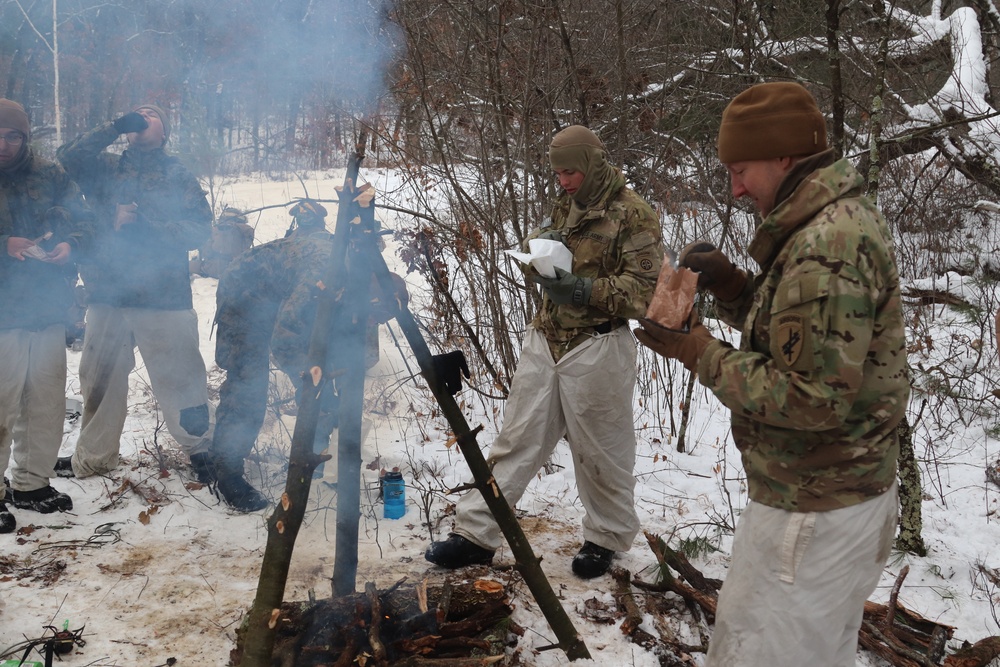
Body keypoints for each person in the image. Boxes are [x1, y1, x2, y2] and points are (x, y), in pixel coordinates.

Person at [634, 82, 909, 666]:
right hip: (830, 500)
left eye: (741, 169)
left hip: (814, 512)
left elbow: (811, 399)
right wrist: (735, 289)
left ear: (785, 156)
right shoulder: (833, 221)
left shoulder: (824, 245)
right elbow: (809, 336)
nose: (734, 188)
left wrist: (696, 351)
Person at [425, 125, 664, 578]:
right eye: (558, 172)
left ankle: (605, 539)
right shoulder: (566, 202)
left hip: (599, 343)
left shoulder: (634, 214)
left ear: (592, 163)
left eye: (571, 171)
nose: (565, 180)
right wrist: (540, 258)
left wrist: (580, 290)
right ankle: (475, 534)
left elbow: (643, 293)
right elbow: (549, 240)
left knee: (602, 450)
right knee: (516, 439)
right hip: (546, 336)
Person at [211, 200, 407, 511]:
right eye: (373, 316)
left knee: (317, 388)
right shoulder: (325, 270)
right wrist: (313, 385)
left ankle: (311, 455)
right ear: (370, 298)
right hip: (244, 293)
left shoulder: (357, 274)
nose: (371, 324)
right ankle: (226, 471)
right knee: (249, 383)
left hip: (277, 294)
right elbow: (286, 336)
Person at [55, 104, 216, 482]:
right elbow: (67, 157)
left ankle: (203, 453)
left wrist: (150, 225)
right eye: (136, 113)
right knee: (99, 380)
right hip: (107, 292)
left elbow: (199, 229)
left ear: (165, 132)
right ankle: (94, 457)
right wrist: (112, 126)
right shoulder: (104, 167)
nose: (142, 117)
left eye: (152, 114)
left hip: (163, 294)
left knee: (182, 377)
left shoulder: (176, 173)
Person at [0, 98, 94, 533]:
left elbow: (84, 220)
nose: (3, 143)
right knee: (1, 403)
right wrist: (4, 244)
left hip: (46, 307)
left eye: (12, 135)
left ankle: (31, 484)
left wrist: (70, 245)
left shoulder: (50, 173)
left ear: (25, 137)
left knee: (45, 399)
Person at [191, 207, 254, 278]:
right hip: (237, 269)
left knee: (186, 266)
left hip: (214, 268)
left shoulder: (215, 229)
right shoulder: (246, 229)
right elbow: (246, 248)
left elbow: (207, 253)